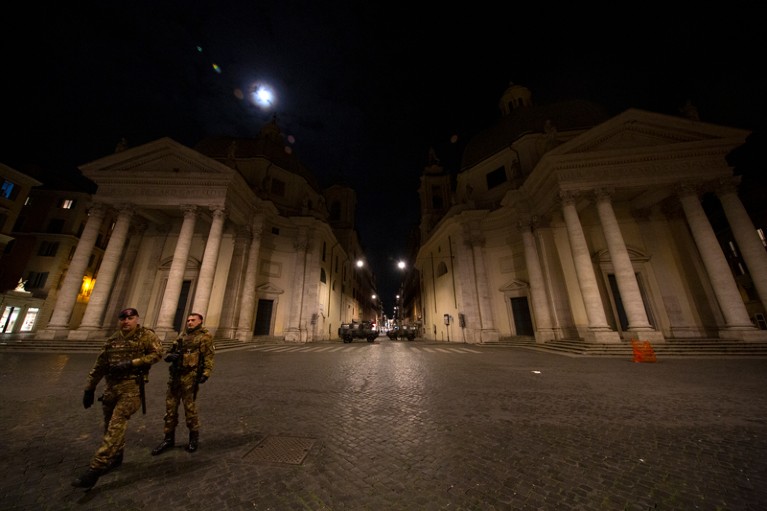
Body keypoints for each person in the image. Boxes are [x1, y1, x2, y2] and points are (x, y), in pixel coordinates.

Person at [71, 308, 163, 489]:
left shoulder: (146, 336)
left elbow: (158, 354)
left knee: (115, 426)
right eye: (123, 318)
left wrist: (132, 363)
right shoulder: (113, 339)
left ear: (137, 319)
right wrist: (89, 388)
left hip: (131, 388)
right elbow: (100, 365)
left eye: (130, 318)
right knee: (109, 426)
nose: (126, 321)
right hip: (111, 388)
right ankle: (116, 456)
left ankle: (95, 469)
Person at [151, 312, 215, 455]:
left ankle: (193, 438)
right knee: (170, 409)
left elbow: (209, 356)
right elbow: (171, 350)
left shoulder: (205, 337)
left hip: (190, 377)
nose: (189, 322)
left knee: (189, 409)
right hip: (175, 377)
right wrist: (169, 357)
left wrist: (205, 373)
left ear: (200, 321)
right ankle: (168, 438)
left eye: (193, 320)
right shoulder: (182, 336)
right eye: (188, 320)